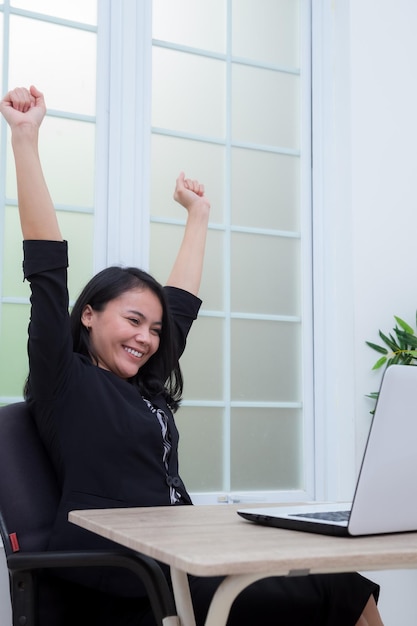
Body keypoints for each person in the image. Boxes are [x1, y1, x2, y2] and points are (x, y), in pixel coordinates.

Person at [0, 85, 384, 626]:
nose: (147, 338)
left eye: (154, 330)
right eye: (132, 321)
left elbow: (179, 307)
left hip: (173, 561)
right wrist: (24, 137)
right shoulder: (66, 380)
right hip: (122, 583)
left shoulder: (142, 387)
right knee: (336, 593)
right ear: (88, 314)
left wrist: (197, 213)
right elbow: (46, 268)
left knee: (340, 583)